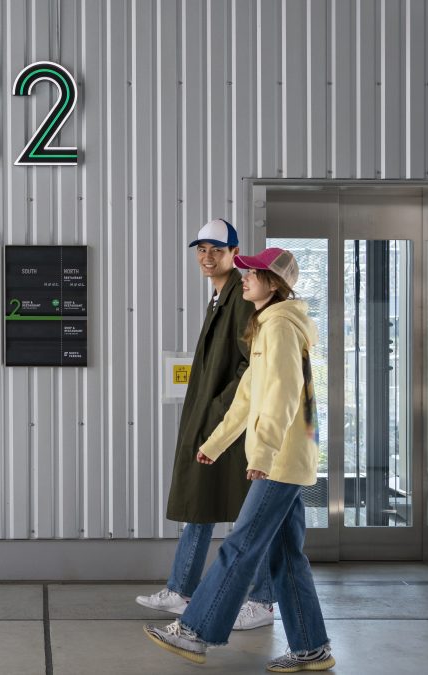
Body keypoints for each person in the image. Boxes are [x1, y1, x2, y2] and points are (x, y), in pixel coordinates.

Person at [143, 247, 335, 672]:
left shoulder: (282, 328)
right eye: (244, 270)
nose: (243, 276)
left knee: (242, 545)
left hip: (281, 460)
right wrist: (213, 444)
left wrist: (263, 453)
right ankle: (312, 647)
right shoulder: (267, 326)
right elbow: (247, 397)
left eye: (253, 272)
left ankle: (196, 631)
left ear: (275, 283)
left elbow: (282, 399)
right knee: (286, 555)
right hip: (283, 457)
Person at [135, 219, 276, 631]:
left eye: (216, 248)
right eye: (201, 249)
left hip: (235, 426)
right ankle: (181, 589)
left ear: (234, 252)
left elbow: (254, 365)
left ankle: (263, 600)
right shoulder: (221, 297)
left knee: (252, 513)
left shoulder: (241, 297)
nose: (207, 256)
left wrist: (218, 408)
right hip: (216, 423)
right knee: (200, 500)